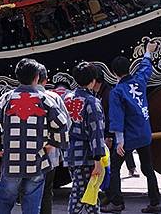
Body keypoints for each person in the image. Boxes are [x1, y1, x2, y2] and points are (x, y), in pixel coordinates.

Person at [0, 58, 69, 214]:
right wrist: (50, 145)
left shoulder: (6, 98)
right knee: (32, 203)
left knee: (5, 201)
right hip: (37, 158)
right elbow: (62, 125)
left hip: (11, 159)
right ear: (36, 77)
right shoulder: (45, 99)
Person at [104, 43, 161, 213]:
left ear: (113, 72)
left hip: (129, 137)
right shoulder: (139, 81)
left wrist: (119, 141)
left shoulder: (117, 91)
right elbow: (145, 68)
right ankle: (155, 202)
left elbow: (116, 117)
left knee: (114, 167)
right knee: (148, 168)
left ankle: (117, 202)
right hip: (144, 133)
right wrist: (148, 52)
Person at [64, 61, 105, 214]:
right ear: (93, 81)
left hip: (69, 152)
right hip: (87, 155)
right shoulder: (92, 102)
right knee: (81, 193)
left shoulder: (67, 98)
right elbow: (96, 132)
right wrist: (98, 160)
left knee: (89, 193)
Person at [38, 65, 70, 214]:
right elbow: (65, 123)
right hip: (50, 154)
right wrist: (55, 143)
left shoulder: (12, 96)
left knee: (26, 192)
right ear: (45, 81)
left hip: (23, 154)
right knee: (46, 192)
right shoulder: (54, 97)